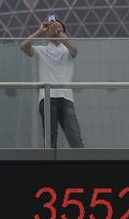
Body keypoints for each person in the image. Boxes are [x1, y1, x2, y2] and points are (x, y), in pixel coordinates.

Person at [20, 14, 84, 148]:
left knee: (76, 140)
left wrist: (59, 31)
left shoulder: (67, 50)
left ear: (64, 32)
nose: (54, 29)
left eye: (59, 27)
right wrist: (40, 31)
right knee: (50, 141)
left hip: (66, 99)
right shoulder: (42, 50)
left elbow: (74, 49)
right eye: (51, 27)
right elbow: (24, 47)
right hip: (47, 98)